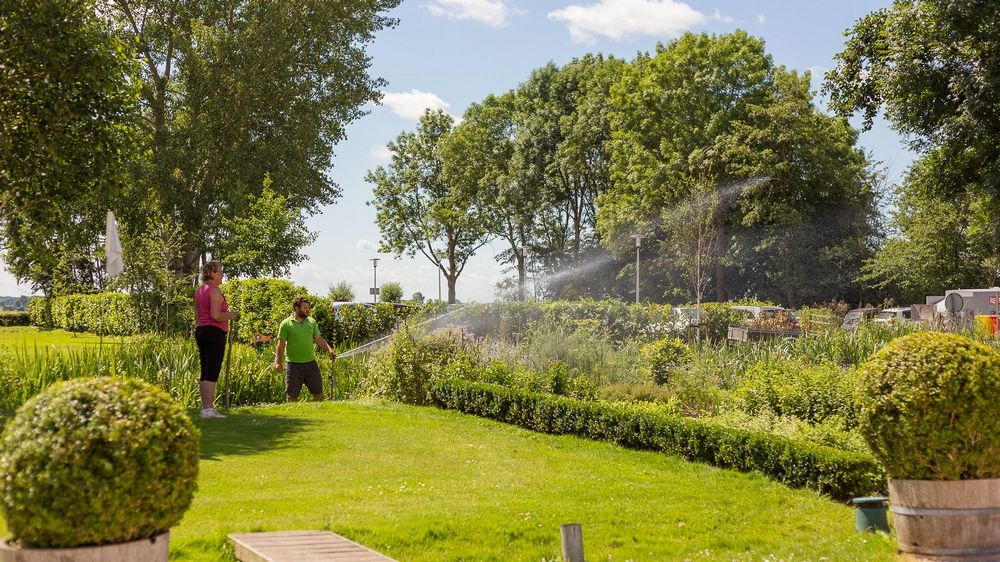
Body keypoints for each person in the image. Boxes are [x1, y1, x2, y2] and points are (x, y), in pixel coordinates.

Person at [194, 261, 237, 419]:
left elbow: (197, 316)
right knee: (212, 369)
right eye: (220, 271)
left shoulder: (199, 291)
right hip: (214, 332)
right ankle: (208, 409)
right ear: (211, 273)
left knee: (205, 369)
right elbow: (216, 315)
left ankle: (206, 408)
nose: (222, 274)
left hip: (201, 330)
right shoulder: (214, 291)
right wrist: (231, 315)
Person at [275, 296, 335, 402]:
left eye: (308, 307)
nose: (308, 310)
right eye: (305, 308)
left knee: (318, 393)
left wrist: (329, 349)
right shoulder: (286, 324)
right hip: (293, 366)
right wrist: (278, 362)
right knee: (292, 396)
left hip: (310, 364)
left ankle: (319, 416)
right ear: (297, 308)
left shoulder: (311, 322)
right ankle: (292, 417)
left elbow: (318, 338)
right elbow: (280, 345)